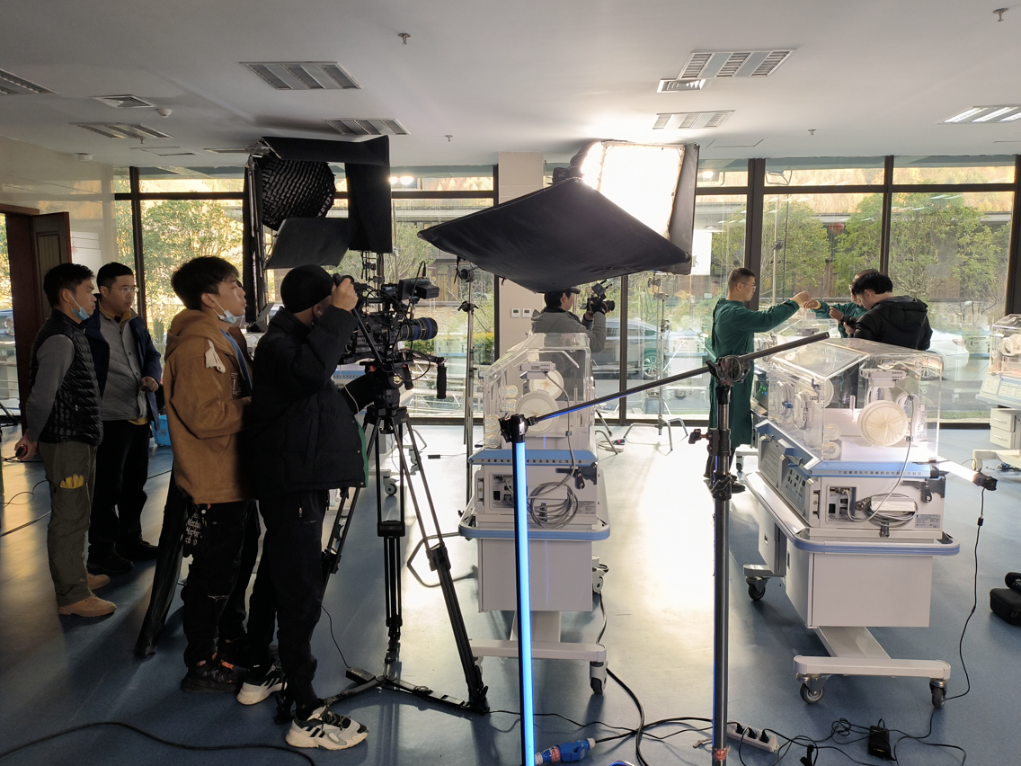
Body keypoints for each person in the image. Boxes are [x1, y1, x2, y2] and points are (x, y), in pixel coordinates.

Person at [239, 265, 371, 751]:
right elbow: (311, 373)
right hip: (291, 482)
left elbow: (312, 403)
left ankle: (258, 671)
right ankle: (306, 712)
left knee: (276, 577)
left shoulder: (292, 343)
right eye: (334, 307)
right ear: (319, 308)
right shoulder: (279, 346)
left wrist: (367, 389)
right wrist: (340, 316)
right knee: (300, 590)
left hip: (294, 474)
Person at [163, 256, 256, 692]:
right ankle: (201, 661)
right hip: (213, 480)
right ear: (209, 298)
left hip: (234, 474)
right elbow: (205, 417)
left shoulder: (222, 337)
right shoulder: (197, 348)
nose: (242, 293)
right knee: (213, 575)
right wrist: (261, 406)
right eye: (233, 285)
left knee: (238, 563)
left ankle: (232, 642)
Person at [15, 263, 114, 618]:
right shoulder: (59, 337)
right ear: (67, 296)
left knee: (79, 513)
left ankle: (77, 576)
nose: (94, 297)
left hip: (80, 436)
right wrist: (32, 435)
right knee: (69, 517)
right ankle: (72, 595)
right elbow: (41, 398)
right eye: (88, 290)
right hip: (66, 440)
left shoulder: (73, 331)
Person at [82, 262, 162, 576]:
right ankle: (102, 551)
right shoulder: (87, 324)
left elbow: (152, 355)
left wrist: (152, 376)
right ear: (104, 291)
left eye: (133, 288)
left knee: (134, 486)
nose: (130, 294)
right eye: (124, 288)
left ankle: (131, 541)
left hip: (139, 413)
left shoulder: (135, 321)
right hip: (107, 418)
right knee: (106, 489)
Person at [708, 268, 812, 449]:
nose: (753, 290)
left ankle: (719, 464)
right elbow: (767, 320)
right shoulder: (733, 313)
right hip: (731, 376)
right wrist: (796, 301)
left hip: (729, 374)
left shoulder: (724, 307)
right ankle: (721, 465)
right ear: (740, 286)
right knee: (728, 431)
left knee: (724, 428)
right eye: (752, 286)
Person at [848, 271, 932, 350]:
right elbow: (924, 345)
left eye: (860, 299)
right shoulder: (918, 311)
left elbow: (859, 353)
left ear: (868, 294)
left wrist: (851, 333)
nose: (861, 304)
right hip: (911, 361)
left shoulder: (870, 318)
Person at [530, 286, 607, 353]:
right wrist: (599, 312)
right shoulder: (564, 322)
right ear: (564, 298)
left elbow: (580, 338)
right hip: (567, 365)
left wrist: (587, 320)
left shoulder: (545, 318)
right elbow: (597, 344)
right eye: (572, 296)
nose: (572, 300)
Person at [805, 268, 878, 338]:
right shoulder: (851, 307)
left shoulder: (876, 313)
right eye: (852, 286)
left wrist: (842, 321)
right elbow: (829, 313)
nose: (852, 290)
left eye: (856, 286)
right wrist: (817, 306)